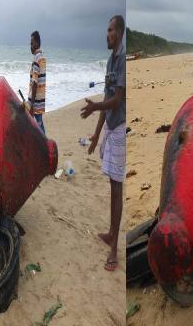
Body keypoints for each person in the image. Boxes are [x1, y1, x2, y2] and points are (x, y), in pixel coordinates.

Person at [81, 15, 126, 271]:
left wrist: (96, 106)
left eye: (110, 30)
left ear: (119, 32)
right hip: (109, 126)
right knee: (111, 182)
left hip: (120, 127)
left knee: (117, 186)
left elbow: (117, 100)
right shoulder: (110, 61)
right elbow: (107, 97)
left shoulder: (122, 61)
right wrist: (97, 135)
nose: (106, 34)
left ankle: (114, 248)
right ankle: (111, 232)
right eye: (106, 29)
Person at [28, 30, 47, 134]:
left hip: (35, 101)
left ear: (37, 43)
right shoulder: (43, 57)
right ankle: (45, 145)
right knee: (39, 124)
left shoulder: (36, 59)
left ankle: (45, 147)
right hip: (41, 99)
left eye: (32, 43)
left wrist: (31, 105)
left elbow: (35, 82)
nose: (30, 46)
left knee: (38, 127)